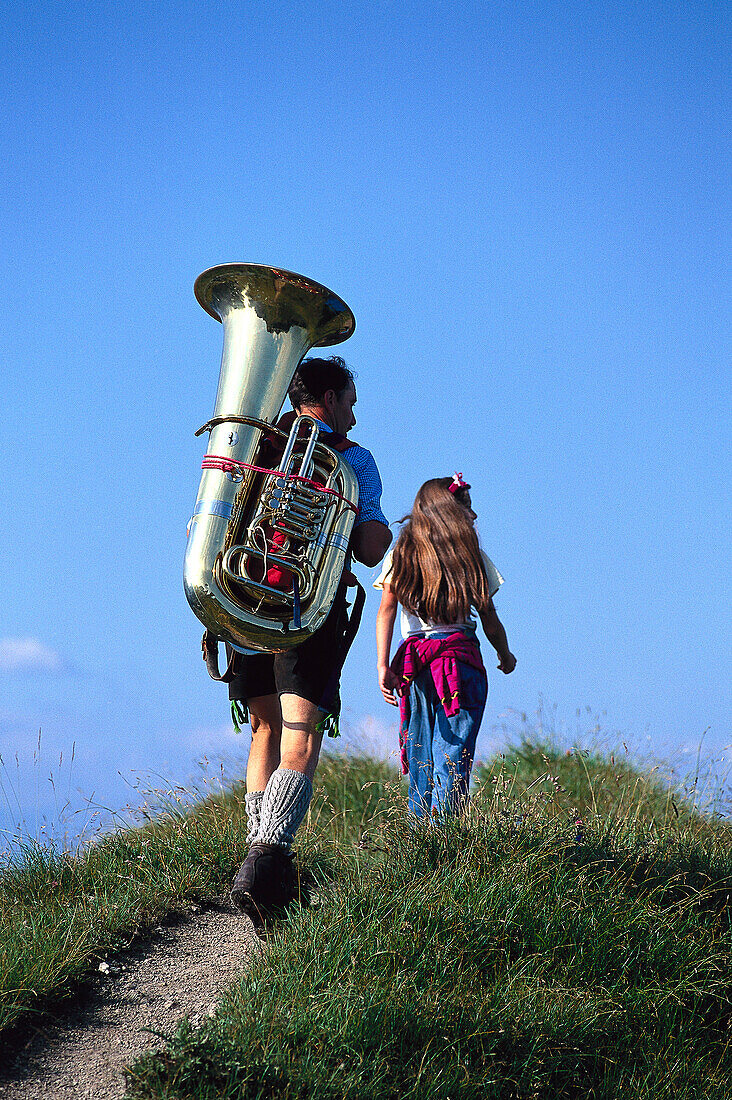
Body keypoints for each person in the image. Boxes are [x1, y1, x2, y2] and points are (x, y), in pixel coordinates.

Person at [228, 356, 391, 919]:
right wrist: (371, 520)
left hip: (243, 600)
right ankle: (266, 861)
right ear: (325, 398)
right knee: (301, 733)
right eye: (349, 398)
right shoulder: (353, 461)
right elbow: (371, 550)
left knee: (264, 730)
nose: (354, 411)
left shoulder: (254, 444)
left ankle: (261, 858)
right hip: (304, 609)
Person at [374, 474, 516, 819]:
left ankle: (419, 834)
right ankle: (446, 832)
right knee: (454, 750)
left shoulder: (401, 555)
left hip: (415, 662)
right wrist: (504, 654)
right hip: (460, 658)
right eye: (467, 506)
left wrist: (383, 665)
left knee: (420, 749)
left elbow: (386, 611)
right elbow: (489, 618)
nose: (474, 515)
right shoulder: (472, 557)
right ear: (450, 511)